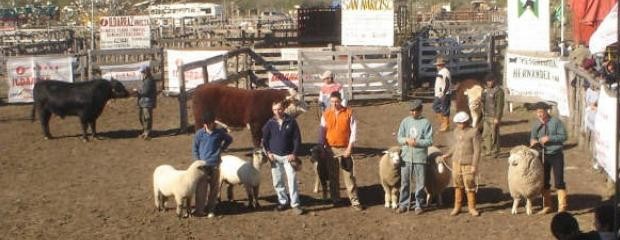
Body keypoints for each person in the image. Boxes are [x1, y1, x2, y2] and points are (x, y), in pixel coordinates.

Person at [318, 91, 364, 211]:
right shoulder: (326, 114)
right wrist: (321, 146)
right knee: (333, 175)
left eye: (336, 101)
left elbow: (353, 131)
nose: (334, 104)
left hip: (344, 148)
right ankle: (336, 199)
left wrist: (350, 147)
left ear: (341, 101)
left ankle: (354, 200)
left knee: (349, 175)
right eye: (332, 102)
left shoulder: (349, 113)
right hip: (330, 148)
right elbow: (322, 132)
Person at [262, 102, 304, 215]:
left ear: (283, 109)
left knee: (292, 180)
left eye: (279, 109)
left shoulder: (291, 122)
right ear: (272, 111)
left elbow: (297, 139)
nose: (277, 112)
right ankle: (283, 201)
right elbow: (264, 140)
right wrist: (268, 153)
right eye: (275, 109)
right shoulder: (270, 123)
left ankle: (295, 204)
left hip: (288, 157)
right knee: (278, 181)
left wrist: (294, 153)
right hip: (275, 158)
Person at [192, 111, 233, 218]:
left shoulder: (219, 133)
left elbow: (229, 139)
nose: (213, 125)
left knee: (214, 189)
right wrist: (198, 161)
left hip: (215, 165)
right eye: (210, 123)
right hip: (203, 166)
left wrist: (222, 149)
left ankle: (211, 209)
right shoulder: (199, 134)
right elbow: (195, 149)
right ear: (205, 124)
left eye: (213, 122)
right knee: (201, 188)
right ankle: (199, 210)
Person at [440, 111, 481, 216]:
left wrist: (474, 165)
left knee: (469, 184)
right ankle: (457, 206)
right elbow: (455, 146)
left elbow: (477, 150)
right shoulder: (456, 131)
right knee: (457, 184)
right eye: (458, 123)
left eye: (461, 123)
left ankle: (471, 207)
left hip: (468, 163)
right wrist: (448, 155)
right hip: (456, 162)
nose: (459, 125)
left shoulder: (474, 132)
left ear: (466, 122)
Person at [530, 102, 568, 214]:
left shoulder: (556, 122)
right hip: (543, 155)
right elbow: (532, 138)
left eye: (541, 112)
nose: (539, 114)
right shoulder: (536, 125)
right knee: (544, 180)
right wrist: (533, 142)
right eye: (537, 112)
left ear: (547, 111)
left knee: (559, 180)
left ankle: (562, 206)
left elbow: (564, 136)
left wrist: (550, 138)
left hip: (556, 154)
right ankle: (547, 205)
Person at [396, 99, 433, 214]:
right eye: (411, 111)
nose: (413, 113)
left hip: (420, 158)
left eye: (415, 111)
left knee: (420, 183)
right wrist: (406, 140)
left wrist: (417, 143)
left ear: (420, 110)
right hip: (406, 157)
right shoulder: (405, 122)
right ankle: (403, 203)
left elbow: (430, 141)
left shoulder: (426, 123)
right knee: (405, 182)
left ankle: (419, 205)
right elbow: (399, 138)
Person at [481, 72, 505, 158]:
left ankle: (495, 152)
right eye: (487, 81)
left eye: (490, 81)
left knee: (495, 135)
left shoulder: (499, 91)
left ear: (494, 81)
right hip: (486, 116)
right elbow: (483, 101)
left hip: (494, 116)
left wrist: (497, 118)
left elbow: (500, 106)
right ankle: (488, 150)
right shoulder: (485, 90)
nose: (488, 83)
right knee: (486, 134)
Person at [134, 65, 157, 140]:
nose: (142, 73)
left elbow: (145, 92)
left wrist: (137, 92)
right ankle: (145, 131)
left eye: (143, 72)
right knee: (142, 117)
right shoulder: (146, 79)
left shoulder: (149, 80)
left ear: (146, 72)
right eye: (142, 72)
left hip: (147, 102)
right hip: (143, 102)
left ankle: (147, 132)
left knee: (147, 118)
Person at [432, 57, 452, 132]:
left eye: (438, 65)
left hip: (444, 93)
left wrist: (444, 92)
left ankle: (446, 125)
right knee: (436, 107)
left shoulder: (445, 72)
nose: (437, 67)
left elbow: (447, 83)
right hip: (440, 93)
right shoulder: (442, 72)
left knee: (445, 109)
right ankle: (443, 123)